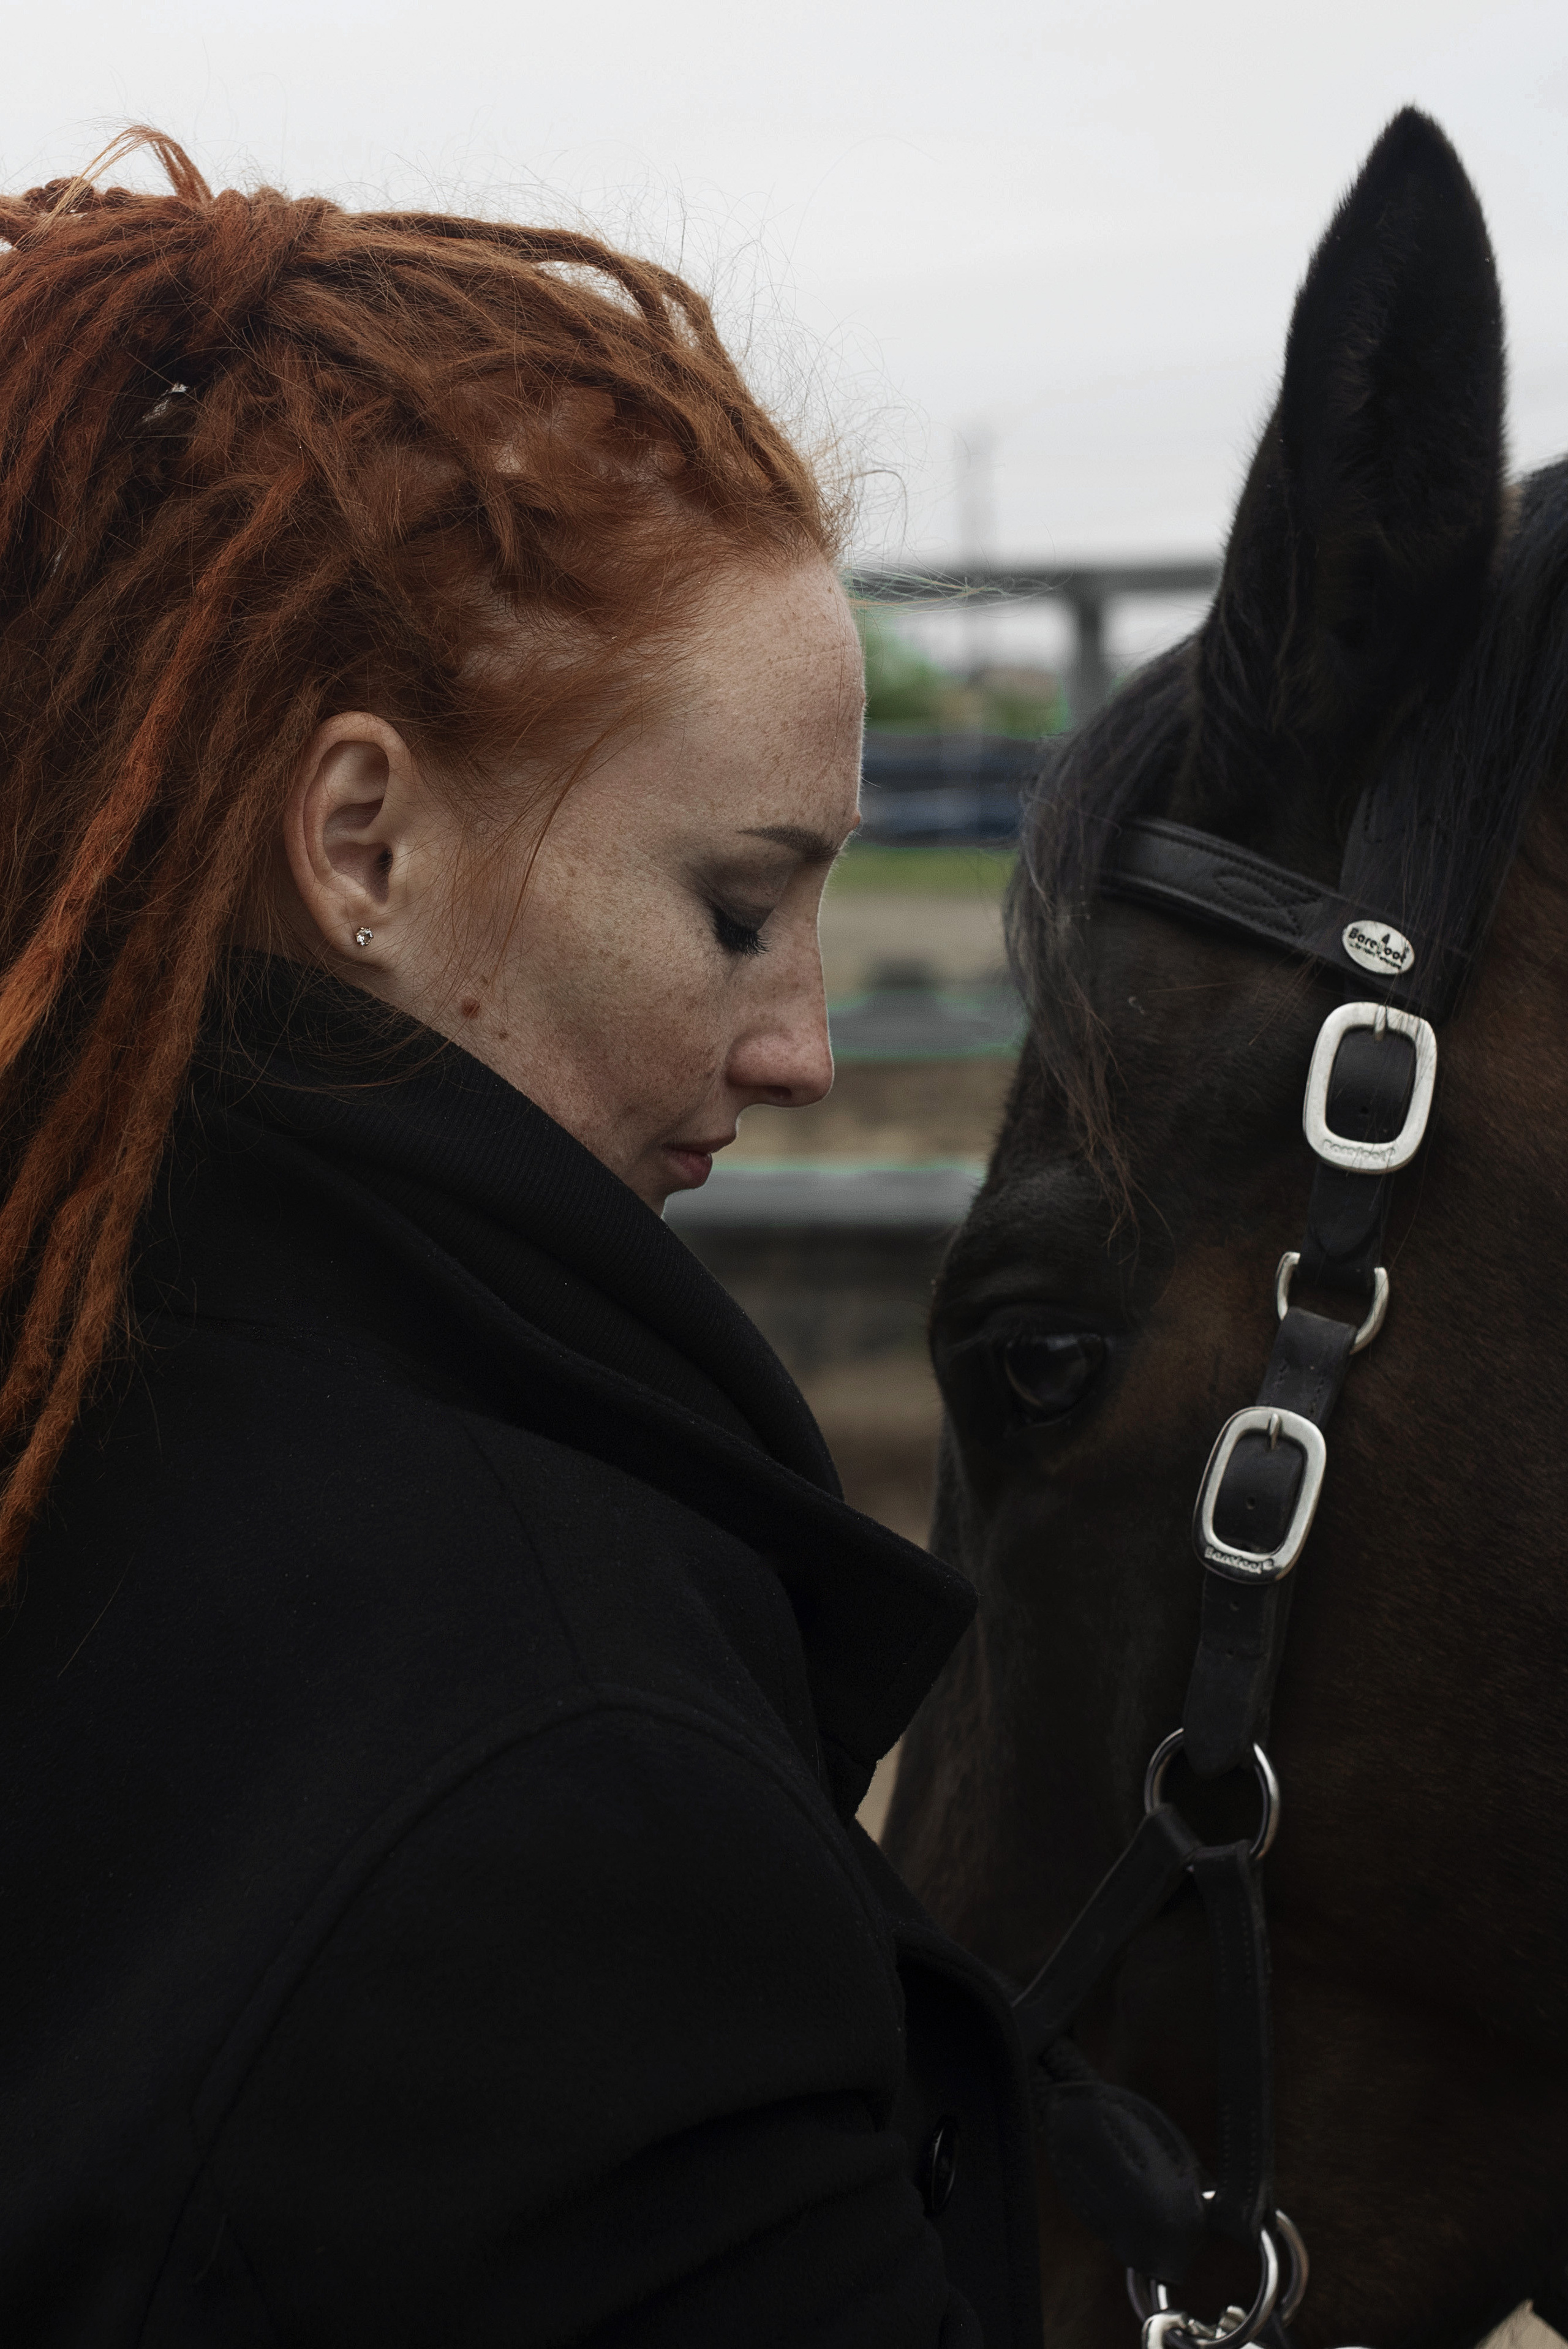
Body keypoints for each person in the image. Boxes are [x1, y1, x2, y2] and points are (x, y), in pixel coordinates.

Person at [0, 132, 1041, 2345]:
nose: (808, 1051)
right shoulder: (570, 1806)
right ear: (359, 839)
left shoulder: (70, 1382)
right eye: (738, 906)